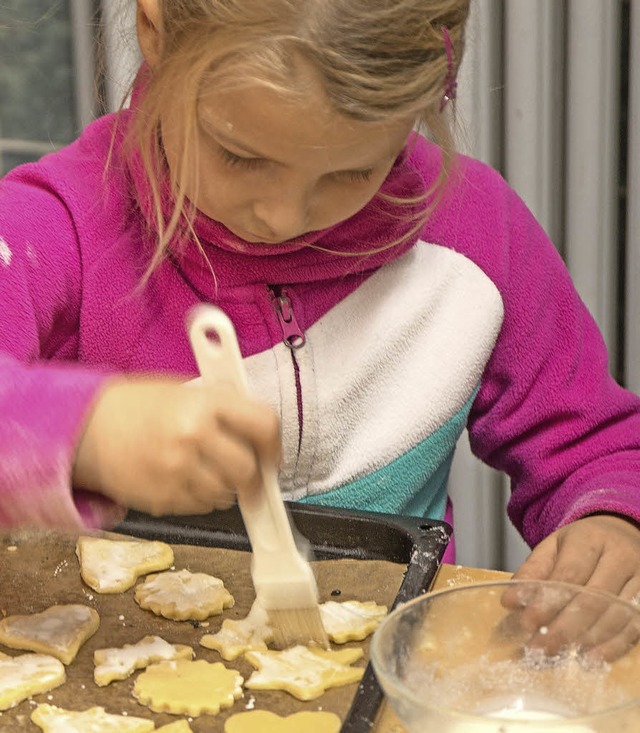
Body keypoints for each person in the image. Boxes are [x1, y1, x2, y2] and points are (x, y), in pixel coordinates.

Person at [1, 0, 640, 605]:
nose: (283, 216)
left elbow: (591, 444)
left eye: (351, 172)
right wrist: (84, 432)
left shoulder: (476, 237)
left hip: (390, 674)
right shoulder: (54, 226)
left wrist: (611, 518)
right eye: (240, 156)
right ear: (156, 29)